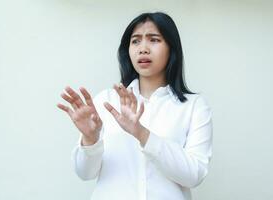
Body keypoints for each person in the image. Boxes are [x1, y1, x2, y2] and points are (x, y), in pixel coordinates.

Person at [57, 12, 213, 200]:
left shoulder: (193, 106)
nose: (143, 49)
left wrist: (142, 134)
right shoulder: (106, 101)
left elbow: (194, 175)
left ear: (172, 49)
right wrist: (90, 139)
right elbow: (85, 173)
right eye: (136, 41)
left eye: (154, 40)